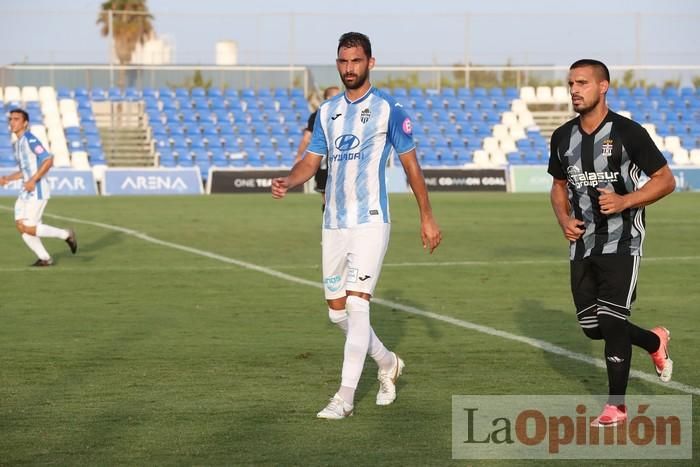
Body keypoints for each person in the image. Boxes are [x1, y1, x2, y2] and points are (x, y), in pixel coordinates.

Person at [272, 32, 441, 419]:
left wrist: (427, 216)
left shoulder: (389, 110)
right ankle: (387, 362)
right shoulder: (328, 112)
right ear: (338, 64)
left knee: (356, 304)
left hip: (370, 221)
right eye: (343, 61)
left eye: (356, 61)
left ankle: (344, 398)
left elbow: (411, 166)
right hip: (333, 222)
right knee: (336, 313)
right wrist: (288, 179)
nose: (350, 68)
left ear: (370, 63)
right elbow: (311, 163)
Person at [548, 59, 676, 427]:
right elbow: (557, 187)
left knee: (612, 317)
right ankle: (654, 342)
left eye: (583, 83)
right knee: (593, 327)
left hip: (623, 241)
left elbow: (665, 180)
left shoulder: (628, 132)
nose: (574, 90)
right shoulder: (562, 137)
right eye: (571, 83)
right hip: (582, 244)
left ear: (603, 87)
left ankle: (616, 406)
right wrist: (563, 220)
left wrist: (625, 201)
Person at [0, 108, 77, 266]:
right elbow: (25, 171)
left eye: (16, 119)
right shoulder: (19, 143)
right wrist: (7, 178)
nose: (12, 122)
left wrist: (33, 180)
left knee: (29, 227)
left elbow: (48, 160)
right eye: (11, 119)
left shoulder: (30, 139)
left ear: (25, 123)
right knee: (21, 226)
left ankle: (66, 234)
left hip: (37, 189)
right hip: (26, 190)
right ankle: (45, 258)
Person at [293, 86, 341, 212]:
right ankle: (331, 224)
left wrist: (299, 155)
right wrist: (299, 155)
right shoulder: (319, 115)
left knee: (334, 195)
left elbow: (306, 137)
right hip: (326, 160)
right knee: (327, 196)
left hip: (341, 159)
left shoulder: (346, 112)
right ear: (329, 98)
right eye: (337, 95)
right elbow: (307, 138)